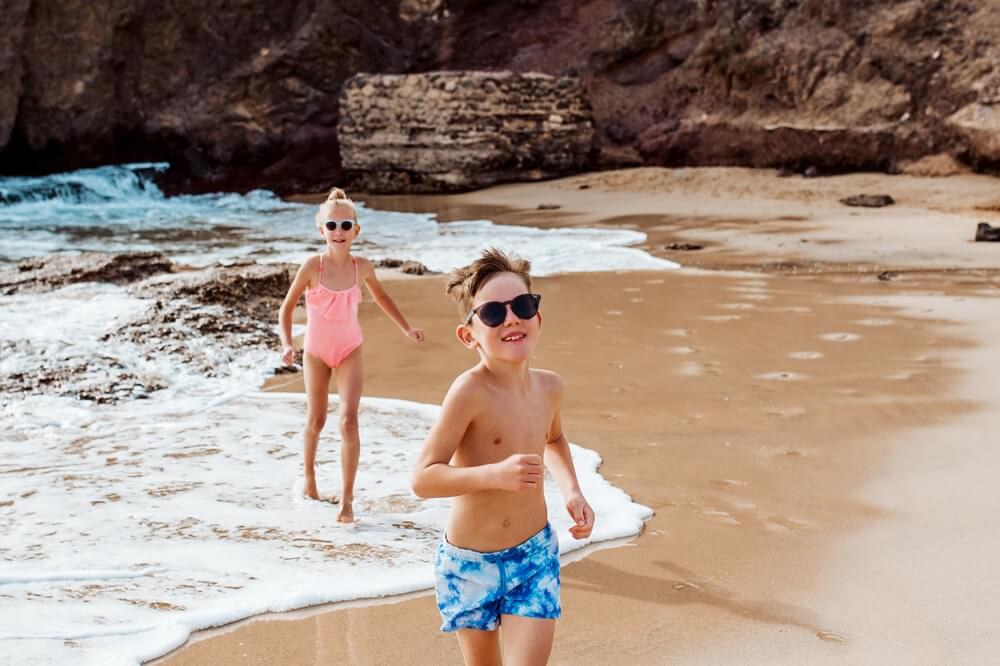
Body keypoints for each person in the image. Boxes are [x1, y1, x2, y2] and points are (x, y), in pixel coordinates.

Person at [411, 247, 595, 665]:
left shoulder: (549, 387)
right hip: (469, 564)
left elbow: (554, 439)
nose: (511, 318)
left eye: (522, 305)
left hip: (534, 557)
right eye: (493, 313)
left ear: (538, 318)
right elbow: (423, 478)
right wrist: (493, 474)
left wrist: (572, 491)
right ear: (469, 334)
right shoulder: (468, 392)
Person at [279, 187, 424, 522]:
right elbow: (285, 310)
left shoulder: (363, 268)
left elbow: (383, 298)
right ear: (321, 231)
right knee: (316, 420)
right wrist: (288, 344)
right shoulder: (311, 268)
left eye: (346, 226)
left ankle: (346, 501)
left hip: (349, 350)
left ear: (357, 231)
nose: (339, 232)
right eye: (332, 226)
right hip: (315, 351)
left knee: (348, 420)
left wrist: (406, 328)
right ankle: (311, 482)